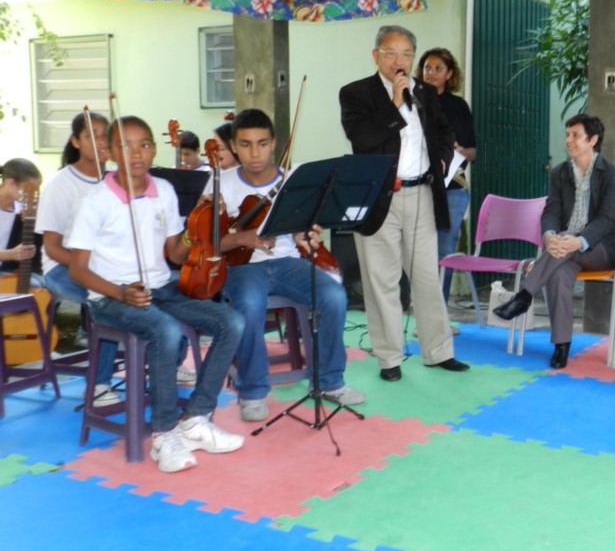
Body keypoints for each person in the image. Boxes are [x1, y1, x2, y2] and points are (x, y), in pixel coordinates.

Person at [67, 116, 245, 473]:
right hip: (109, 297)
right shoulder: (96, 200)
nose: (136, 153)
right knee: (166, 330)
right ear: (110, 151)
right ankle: (164, 433)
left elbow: (175, 254)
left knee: (232, 321)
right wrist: (120, 292)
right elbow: (78, 270)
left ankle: (196, 418)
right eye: (125, 146)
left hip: (161, 287)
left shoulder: (163, 190)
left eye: (145, 145)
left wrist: (199, 225)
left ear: (154, 150)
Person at [339, 24, 469, 382]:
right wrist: (395, 104)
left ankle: (438, 351)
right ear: (376, 56)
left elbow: (444, 132)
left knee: (426, 276)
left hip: (421, 193)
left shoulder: (424, 92)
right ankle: (389, 359)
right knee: (381, 280)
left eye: (407, 54)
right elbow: (362, 138)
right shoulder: (355, 93)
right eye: (391, 53)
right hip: (379, 197)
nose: (400, 60)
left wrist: (441, 159)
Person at [218, 108, 362, 421]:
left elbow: (302, 228)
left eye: (262, 143)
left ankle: (330, 381)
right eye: (245, 144)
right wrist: (243, 237)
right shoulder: (220, 184)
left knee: (334, 296)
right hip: (243, 268)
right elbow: (209, 244)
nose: (254, 153)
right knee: (250, 303)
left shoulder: (294, 180)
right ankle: (252, 391)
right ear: (234, 147)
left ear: (274, 144)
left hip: (288, 263)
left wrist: (306, 233)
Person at [492, 114, 615, 369]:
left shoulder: (611, 173)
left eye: (575, 135)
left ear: (592, 140)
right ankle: (561, 344)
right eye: (567, 135)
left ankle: (524, 296)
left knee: (566, 242)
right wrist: (549, 236)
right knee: (558, 274)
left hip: (602, 248)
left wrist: (579, 240)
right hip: (564, 250)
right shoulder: (559, 173)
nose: (568, 140)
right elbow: (551, 211)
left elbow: (607, 219)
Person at [35, 112, 125, 405]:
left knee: (161, 287)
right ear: (76, 141)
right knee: (106, 300)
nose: (100, 142)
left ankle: (167, 365)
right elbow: (52, 247)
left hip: (110, 267)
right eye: (91, 136)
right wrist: (89, 272)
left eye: (104, 135)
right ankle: (98, 385)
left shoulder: (118, 180)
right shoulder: (60, 184)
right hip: (64, 267)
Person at [415, 47, 477, 304]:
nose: (431, 73)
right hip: (418, 185)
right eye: (427, 68)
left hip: (452, 187)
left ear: (450, 74)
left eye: (438, 68)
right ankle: (419, 308)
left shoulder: (457, 105)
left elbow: (472, 152)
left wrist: (456, 150)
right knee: (417, 251)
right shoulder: (412, 100)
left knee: (444, 251)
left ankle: (438, 310)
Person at [0, 158, 43, 276]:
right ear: (11, 183)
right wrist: (10, 254)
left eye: (35, 190)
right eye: (28, 189)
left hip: (6, 271)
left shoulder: (20, 208)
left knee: (40, 282)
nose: (32, 194)